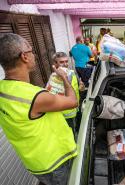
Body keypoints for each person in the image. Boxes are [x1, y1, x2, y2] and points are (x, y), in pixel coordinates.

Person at [0, 33, 78, 185]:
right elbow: (72, 101)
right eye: (31, 50)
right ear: (24, 57)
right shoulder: (35, 96)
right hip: (56, 161)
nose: (34, 55)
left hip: (35, 163)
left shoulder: (3, 89)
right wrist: (64, 78)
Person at [49, 52, 85, 136]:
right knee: (70, 135)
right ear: (55, 64)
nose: (65, 64)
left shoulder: (72, 72)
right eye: (61, 62)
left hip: (76, 109)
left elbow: (78, 86)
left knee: (78, 130)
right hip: (65, 114)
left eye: (66, 61)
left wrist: (80, 85)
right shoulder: (54, 78)